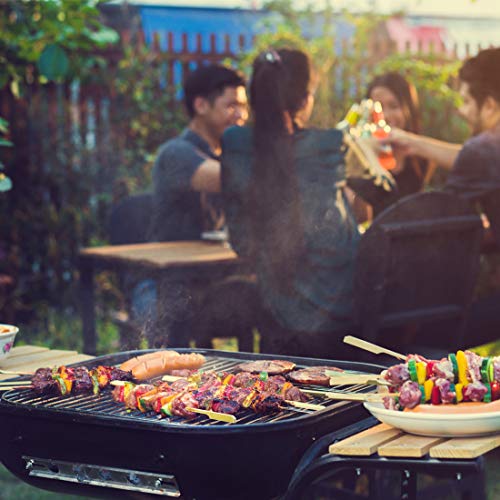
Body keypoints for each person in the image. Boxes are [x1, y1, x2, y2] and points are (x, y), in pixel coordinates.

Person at [221, 48, 395, 358]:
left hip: (276, 310)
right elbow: (380, 190)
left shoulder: (235, 144)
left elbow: (242, 242)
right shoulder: (329, 145)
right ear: (305, 99)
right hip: (340, 309)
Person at [150, 64, 248, 242]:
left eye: (244, 107)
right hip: (177, 266)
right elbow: (232, 179)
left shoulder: (225, 155)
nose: (241, 115)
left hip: (213, 264)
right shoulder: (175, 153)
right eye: (232, 106)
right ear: (201, 105)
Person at [367, 72, 429, 202]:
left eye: (394, 106)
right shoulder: (361, 157)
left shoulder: (422, 158)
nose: (385, 116)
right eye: (378, 108)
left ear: (408, 109)